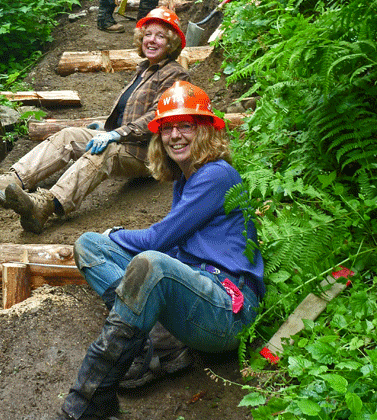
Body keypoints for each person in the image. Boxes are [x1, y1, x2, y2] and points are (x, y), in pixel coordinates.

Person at [53, 81, 266, 420]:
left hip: (227, 308)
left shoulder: (216, 176)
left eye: (186, 126)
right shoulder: (187, 177)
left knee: (151, 263)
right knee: (89, 245)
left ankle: (89, 401)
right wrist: (109, 239)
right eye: (168, 127)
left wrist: (116, 233)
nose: (176, 135)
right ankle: (161, 343)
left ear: (206, 131)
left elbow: (158, 240)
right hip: (196, 290)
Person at [0, 7, 189, 234]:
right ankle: (14, 180)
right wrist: (105, 128)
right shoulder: (144, 69)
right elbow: (131, 110)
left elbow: (158, 115)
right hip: (125, 140)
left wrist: (116, 134)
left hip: (146, 153)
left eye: (160, 36)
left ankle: (45, 205)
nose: (151, 40)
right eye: (148, 34)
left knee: (106, 151)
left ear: (171, 43)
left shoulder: (175, 74)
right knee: (69, 135)